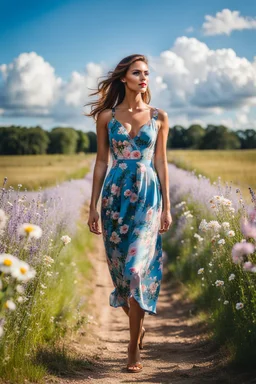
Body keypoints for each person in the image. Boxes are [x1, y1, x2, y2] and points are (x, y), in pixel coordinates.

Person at [86, 54, 172, 373]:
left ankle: (132, 346)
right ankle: (138, 326)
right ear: (124, 78)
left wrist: (167, 206)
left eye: (146, 73)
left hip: (148, 197)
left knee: (136, 268)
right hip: (114, 198)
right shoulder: (106, 117)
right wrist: (93, 206)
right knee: (122, 275)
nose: (143, 77)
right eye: (137, 72)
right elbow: (100, 162)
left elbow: (161, 161)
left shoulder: (159, 116)